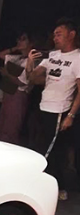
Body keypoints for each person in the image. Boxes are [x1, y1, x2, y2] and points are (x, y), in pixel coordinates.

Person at [26, 18, 80, 200]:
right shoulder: (53, 55)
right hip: (44, 106)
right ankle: (53, 186)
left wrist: (71, 115)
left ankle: (54, 187)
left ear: (71, 35)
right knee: (42, 146)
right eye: (54, 35)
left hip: (60, 110)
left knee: (51, 150)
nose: (55, 38)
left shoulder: (77, 58)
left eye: (59, 34)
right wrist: (30, 63)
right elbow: (32, 78)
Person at [0, 33, 35, 144]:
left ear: (31, 43)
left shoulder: (31, 61)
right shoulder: (17, 57)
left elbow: (22, 82)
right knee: (1, 124)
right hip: (8, 93)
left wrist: (7, 74)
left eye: (23, 39)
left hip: (18, 95)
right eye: (18, 39)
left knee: (11, 126)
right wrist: (16, 47)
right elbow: (0, 55)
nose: (19, 41)